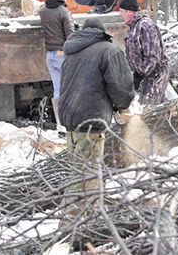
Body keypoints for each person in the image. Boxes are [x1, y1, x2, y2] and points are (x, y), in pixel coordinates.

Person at [58, 18, 134, 218]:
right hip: (89, 122)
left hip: (70, 121)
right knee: (87, 178)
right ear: (102, 31)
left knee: (79, 174)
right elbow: (121, 87)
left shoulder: (72, 51)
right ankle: (76, 227)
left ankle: (89, 218)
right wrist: (123, 107)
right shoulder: (109, 51)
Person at [38, 0, 75, 134]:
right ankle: (71, 124)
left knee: (58, 90)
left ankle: (61, 125)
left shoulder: (43, 12)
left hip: (50, 56)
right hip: (62, 54)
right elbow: (71, 36)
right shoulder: (64, 13)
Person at [119, 0, 169, 105]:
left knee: (148, 111)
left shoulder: (146, 26)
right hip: (144, 76)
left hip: (155, 77)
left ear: (129, 12)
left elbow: (153, 57)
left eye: (122, 11)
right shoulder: (134, 27)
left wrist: (140, 75)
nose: (120, 14)